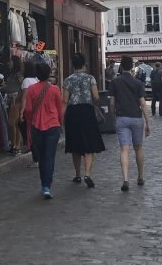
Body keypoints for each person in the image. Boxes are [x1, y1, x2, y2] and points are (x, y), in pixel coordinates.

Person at [109, 56, 151, 192]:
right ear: (132, 67)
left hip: (122, 118)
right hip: (136, 118)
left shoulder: (115, 82)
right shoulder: (138, 83)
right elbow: (143, 104)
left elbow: (112, 103)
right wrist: (148, 122)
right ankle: (140, 176)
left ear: (121, 67)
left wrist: (113, 116)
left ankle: (126, 179)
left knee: (124, 149)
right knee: (138, 148)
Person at [63, 53, 105, 188]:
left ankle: (77, 174)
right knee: (89, 144)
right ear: (84, 64)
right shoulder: (90, 78)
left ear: (73, 65)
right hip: (87, 111)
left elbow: (64, 100)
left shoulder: (68, 80)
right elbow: (96, 96)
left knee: (75, 145)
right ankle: (87, 173)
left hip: (73, 112)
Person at [24, 62, 65, 199]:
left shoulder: (30, 89)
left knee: (41, 157)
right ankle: (46, 186)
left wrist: (30, 120)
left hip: (36, 126)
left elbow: (28, 109)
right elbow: (59, 109)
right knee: (49, 157)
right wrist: (60, 123)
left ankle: (44, 184)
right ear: (48, 74)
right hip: (53, 126)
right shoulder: (55, 89)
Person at [3, 57, 24, 154]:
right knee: (13, 123)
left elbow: (22, 85)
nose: (8, 63)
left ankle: (16, 145)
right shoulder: (12, 73)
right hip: (10, 99)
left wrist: (19, 98)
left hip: (16, 100)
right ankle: (14, 145)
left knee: (13, 123)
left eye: (10, 61)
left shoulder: (18, 74)